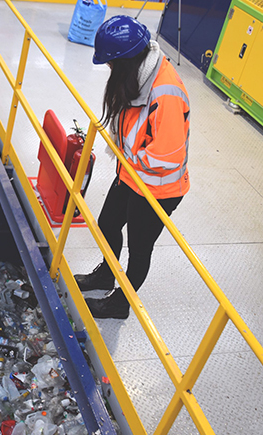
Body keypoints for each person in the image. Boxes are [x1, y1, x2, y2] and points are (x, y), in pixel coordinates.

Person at [74, 15, 190, 319]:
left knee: (139, 251)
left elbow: (167, 157)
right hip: (132, 174)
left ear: (126, 61)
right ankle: (105, 275)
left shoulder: (165, 93)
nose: (109, 69)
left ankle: (120, 304)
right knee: (108, 224)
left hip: (158, 189)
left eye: (111, 64)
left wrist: (131, 159)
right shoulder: (137, 76)